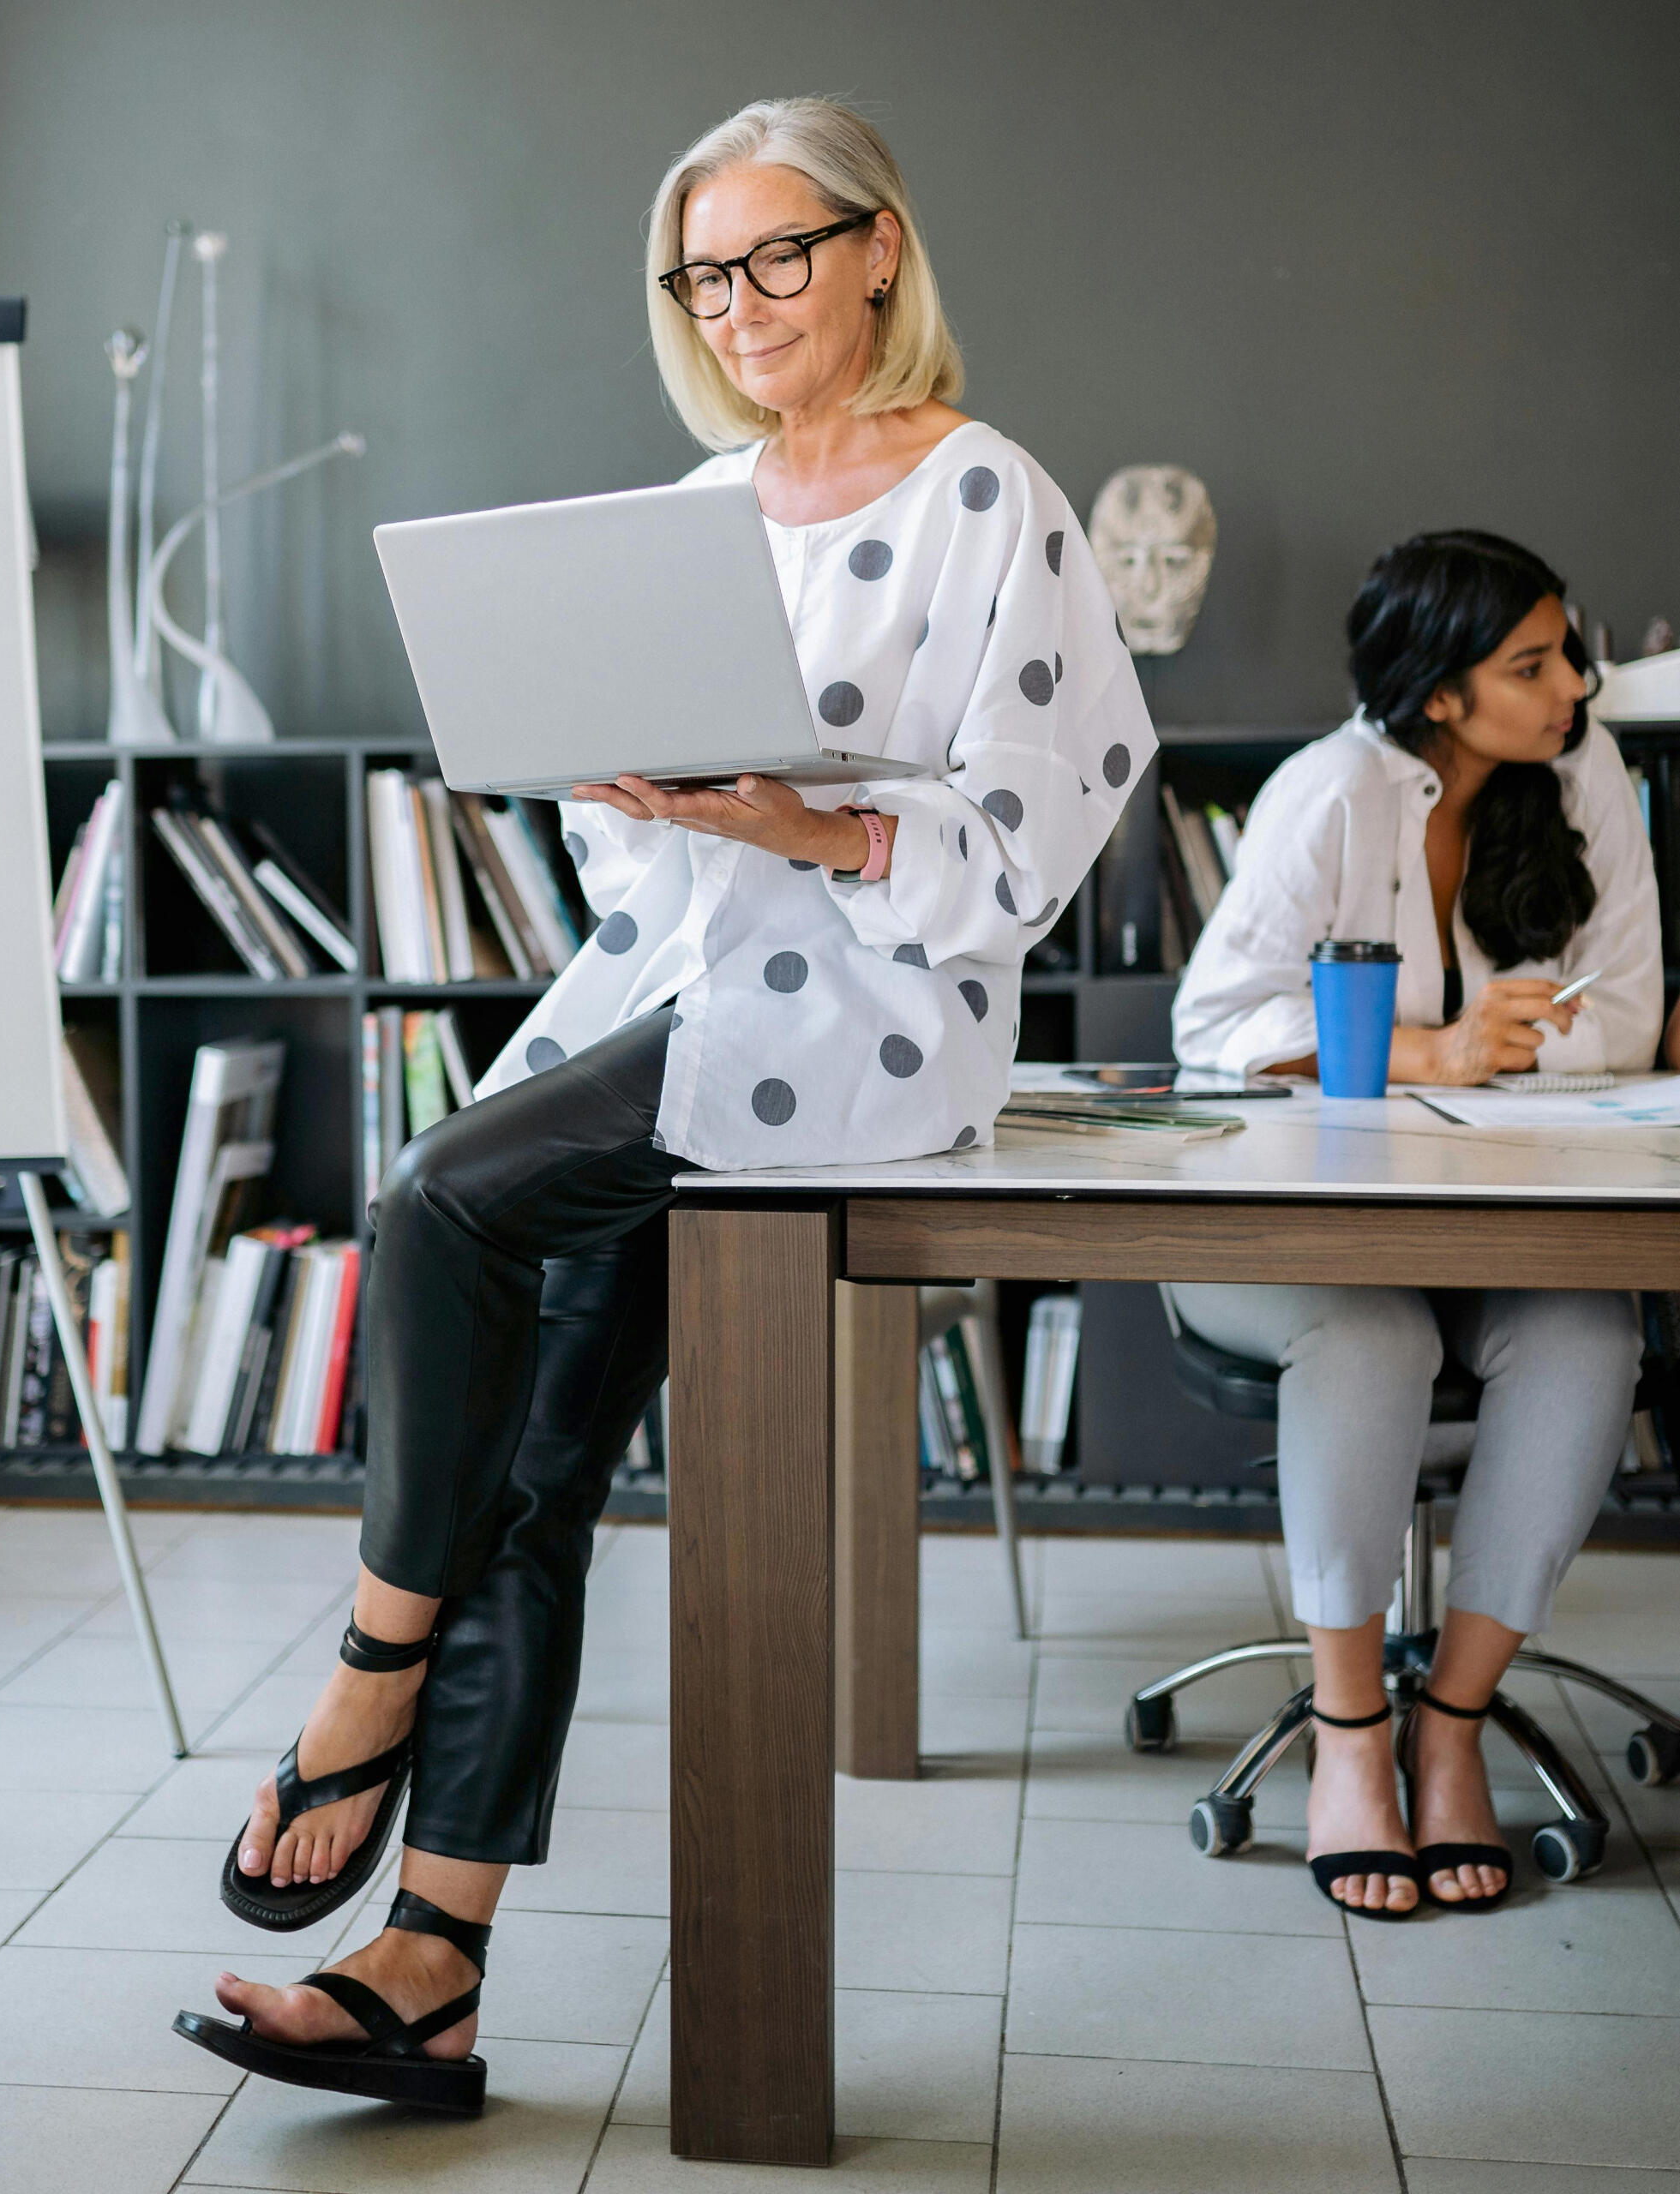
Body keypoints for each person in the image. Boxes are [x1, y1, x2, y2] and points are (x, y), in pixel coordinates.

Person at [175, 94, 1152, 2108]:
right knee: (534, 1461)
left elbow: (1047, 825)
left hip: (866, 1017)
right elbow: (661, 888)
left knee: (443, 1193)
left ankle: (368, 1664)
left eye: (774, 256)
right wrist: (628, 786)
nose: (736, 305)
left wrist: (799, 820)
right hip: (689, 989)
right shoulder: (698, 507)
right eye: (704, 275)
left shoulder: (986, 496)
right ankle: (429, 1969)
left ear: (879, 247)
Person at [1171, 531, 1659, 1918]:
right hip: (1294, 1250)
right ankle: (1346, 1738)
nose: (1575, 682)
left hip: (1498, 1231)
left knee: (1584, 1329)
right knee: (1369, 1335)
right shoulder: (1325, 793)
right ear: (1438, 694)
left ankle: (1450, 1721)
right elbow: (1213, 1025)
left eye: (1570, 648)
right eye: (1534, 662)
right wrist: (1425, 1050)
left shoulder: (1583, 776)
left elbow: (1620, 1012)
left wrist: (1500, 1047)